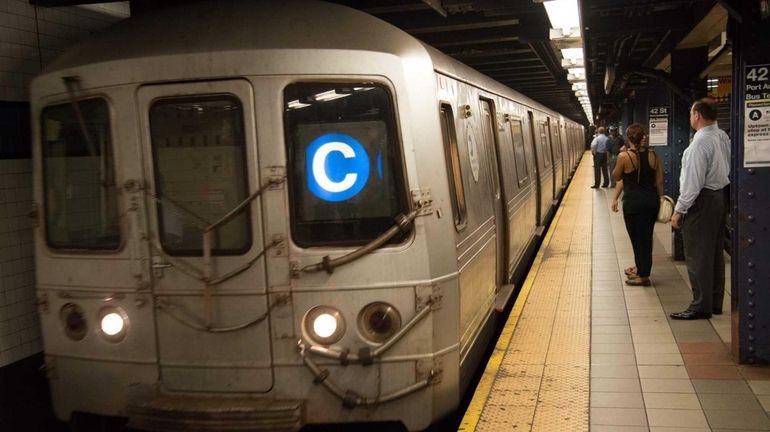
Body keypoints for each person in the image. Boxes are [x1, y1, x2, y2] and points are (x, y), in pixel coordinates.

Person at [669, 98, 730, 320]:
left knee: (697, 255)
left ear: (697, 115)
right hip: (719, 197)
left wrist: (679, 210)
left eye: (691, 113)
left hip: (702, 202)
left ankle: (700, 306)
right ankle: (714, 302)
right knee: (714, 253)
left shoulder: (698, 144)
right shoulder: (722, 136)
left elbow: (692, 183)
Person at [611, 124, 663, 286]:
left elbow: (617, 176)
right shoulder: (653, 155)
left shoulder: (624, 156)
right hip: (651, 202)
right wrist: (660, 199)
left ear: (629, 138)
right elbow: (659, 181)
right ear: (643, 138)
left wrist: (620, 156)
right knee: (646, 237)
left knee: (637, 239)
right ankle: (641, 267)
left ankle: (643, 275)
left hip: (633, 204)